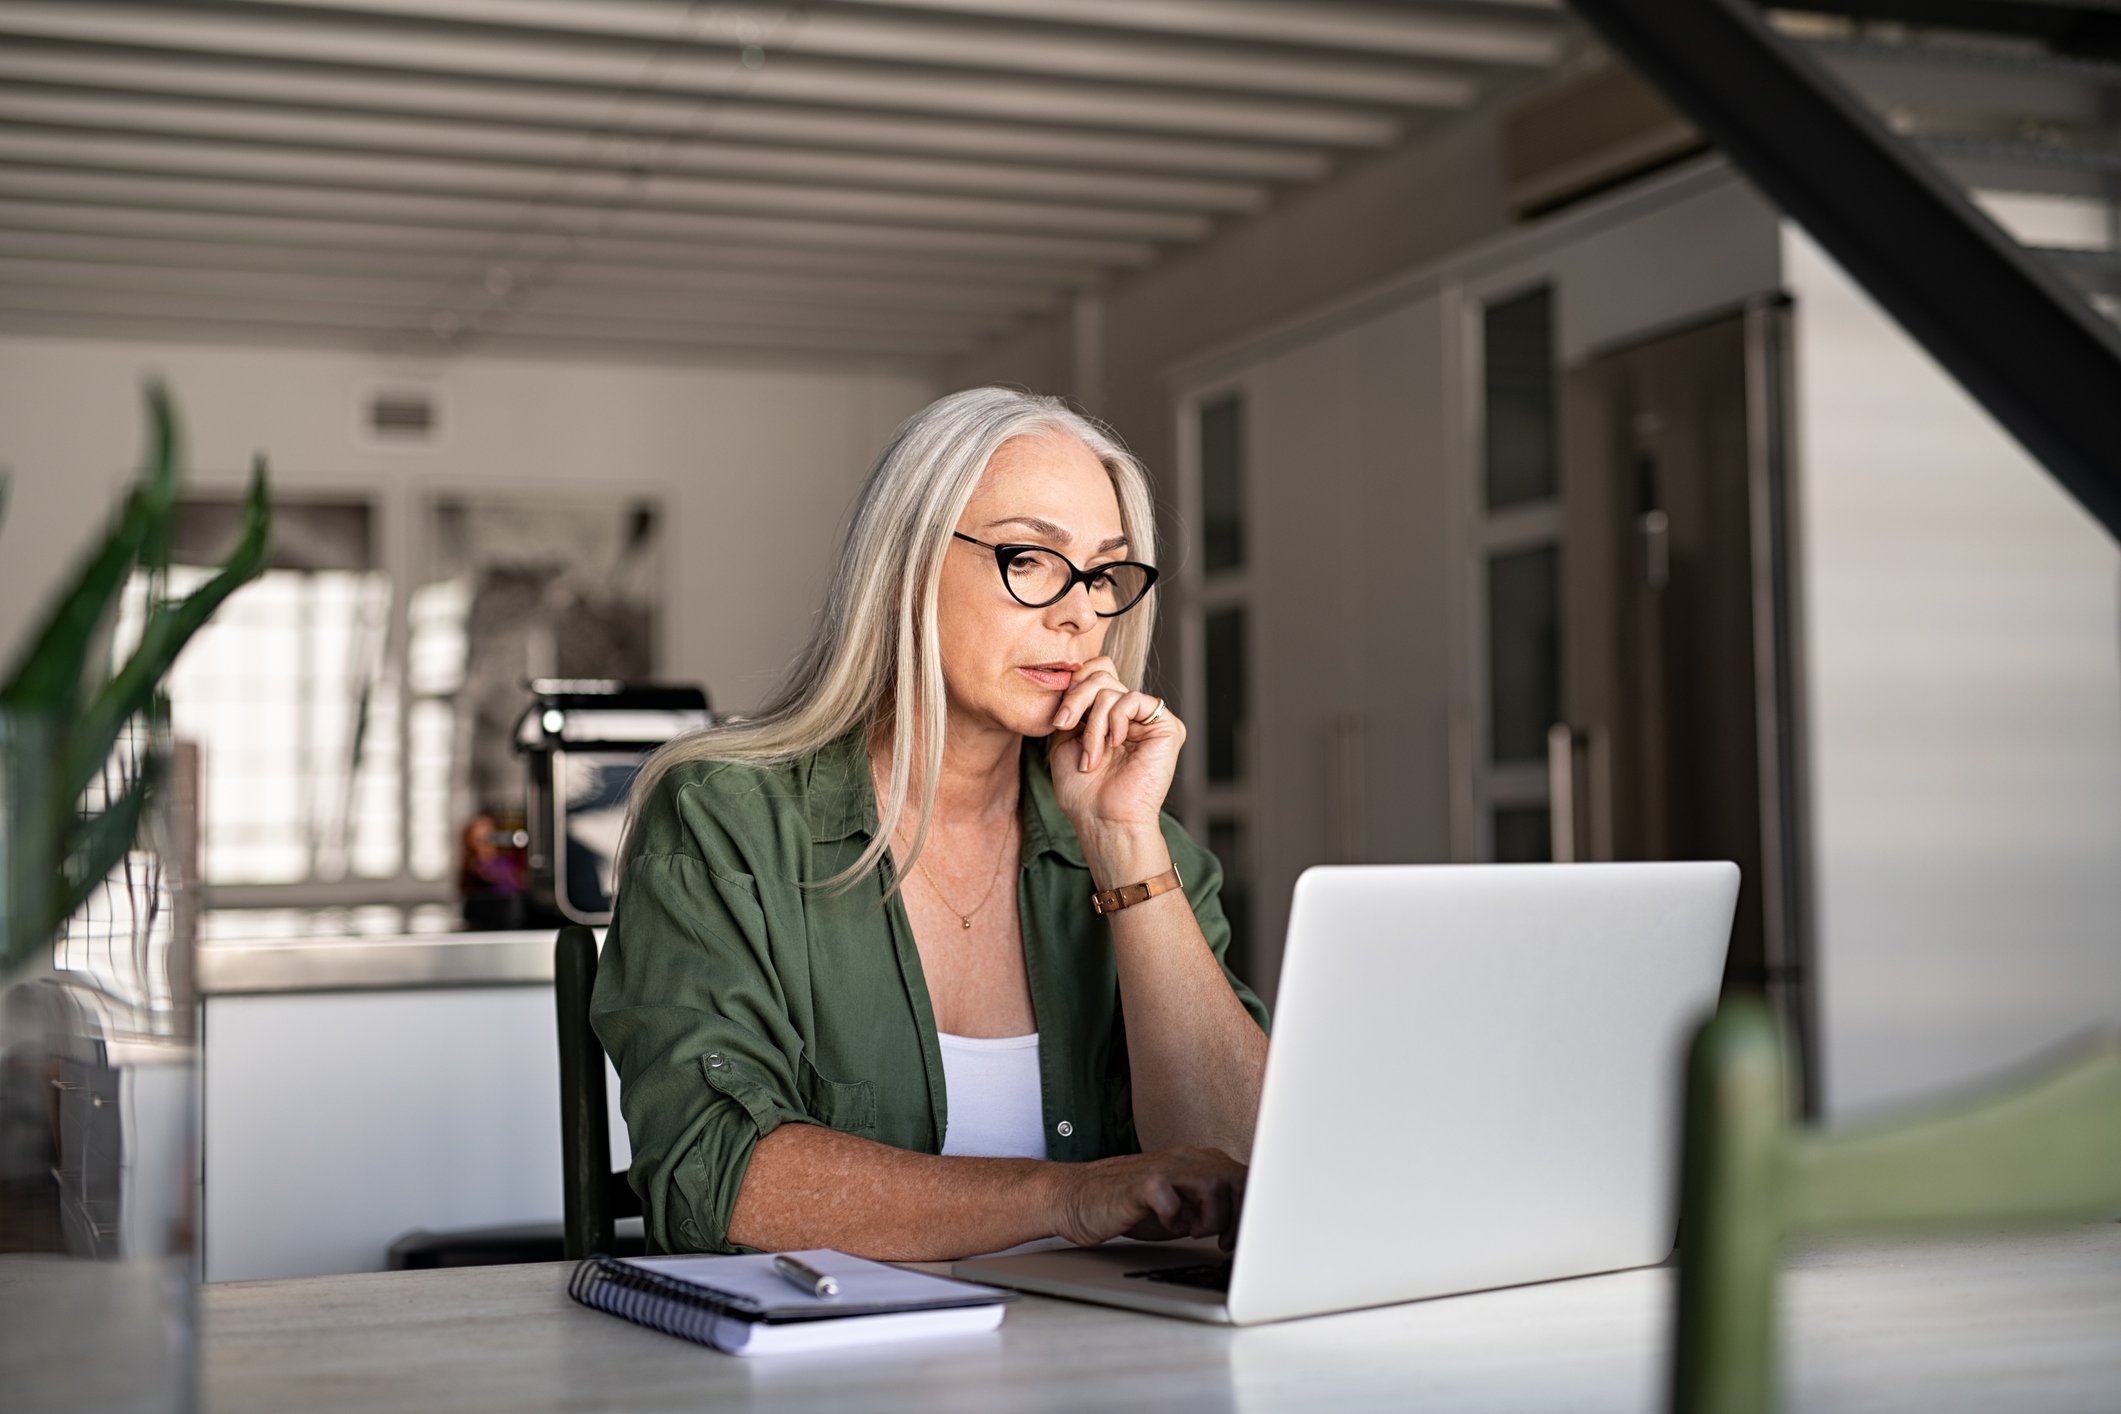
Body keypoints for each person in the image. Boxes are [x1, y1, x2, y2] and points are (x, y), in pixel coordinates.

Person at [593, 387, 1269, 1261]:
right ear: (906, 564)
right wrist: (1068, 1196)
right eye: (1029, 558)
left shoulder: (1143, 848)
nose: (1081, 613)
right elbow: (714, 1179)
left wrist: (1122, 847)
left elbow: (1251, 1172)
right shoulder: (727, 818)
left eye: (1104, 573)